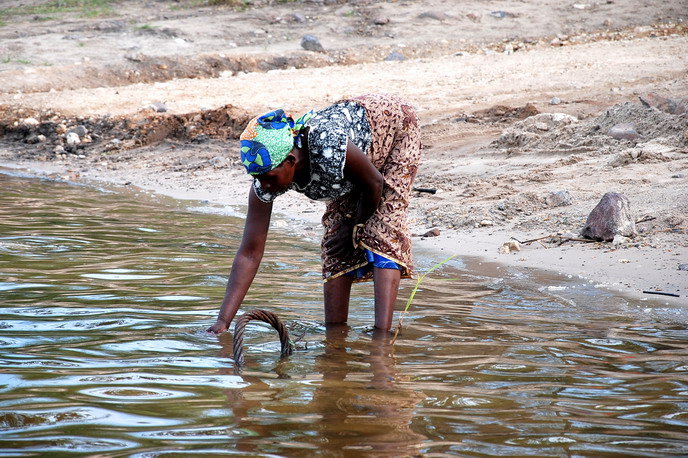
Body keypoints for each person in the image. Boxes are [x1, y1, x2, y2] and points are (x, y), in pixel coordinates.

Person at [207, 93, 421, 334]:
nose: (263, 186)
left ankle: (382, 340)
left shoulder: (327, 146)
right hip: (348, 167)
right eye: (257, 179)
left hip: (392, 126)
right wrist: (222, 322)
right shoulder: (266, 179)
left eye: (268, 178)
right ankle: (335, 335)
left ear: (290, 160)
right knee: (335, 244)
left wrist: (356, 226)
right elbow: (249, 253)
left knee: (381, 228)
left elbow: (374, 183)